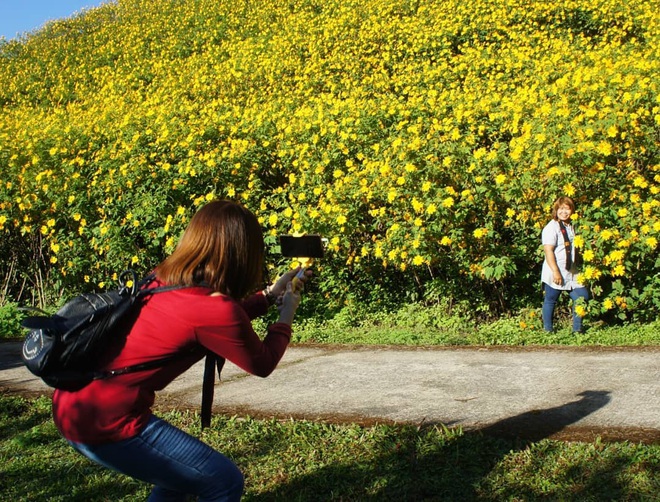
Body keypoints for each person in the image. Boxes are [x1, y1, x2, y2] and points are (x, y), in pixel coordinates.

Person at [52, 200, 310, 501]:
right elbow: (262, 362)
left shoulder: (162, 277)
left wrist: (268, 296)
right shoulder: (212, 307)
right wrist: (286, 316)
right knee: (223, 482)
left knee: (181, 480)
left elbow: (211, 318)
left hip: (73, 403)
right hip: (106, 422)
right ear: (242, 253)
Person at [541, 196, 588, 332]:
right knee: (551, 300)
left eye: (567, 209)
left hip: (572, 271)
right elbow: (548, 250)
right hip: (556, 270)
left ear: (572, 210)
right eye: (561, 209)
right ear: (556, 210)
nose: (564, 212)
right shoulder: (551, 227)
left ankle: (577, 330)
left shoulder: (573, 226)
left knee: (582, 297)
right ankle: (548, 331)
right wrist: (555, 271)